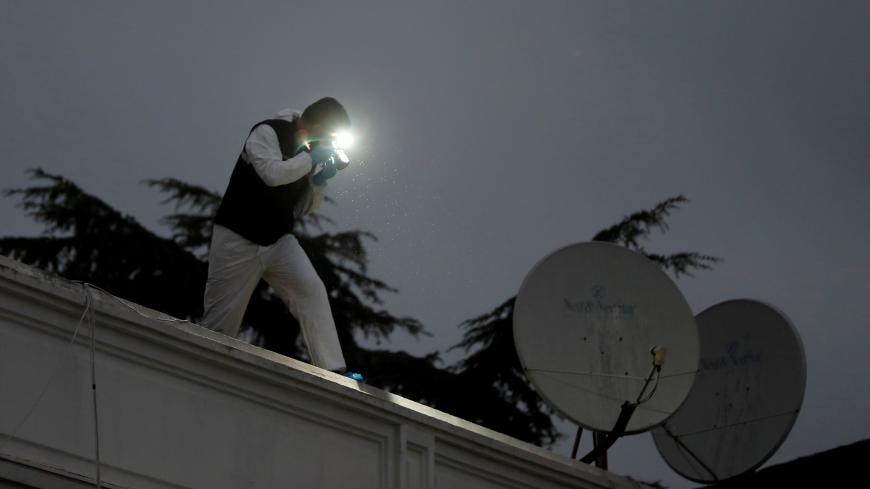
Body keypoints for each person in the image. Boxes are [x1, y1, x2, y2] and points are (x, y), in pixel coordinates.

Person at [202, 97, 362, 380]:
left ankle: (334, 370)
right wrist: (310, 159)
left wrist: (319, 182)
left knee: (311, 289)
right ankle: (205, 371)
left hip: (277, 239)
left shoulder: (312, 148)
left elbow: (301, 208)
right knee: (220, 323)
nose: (331, 141)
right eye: (329, 134)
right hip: (237, 237)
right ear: (316, 125)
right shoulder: (267, 132)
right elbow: (272, 175)